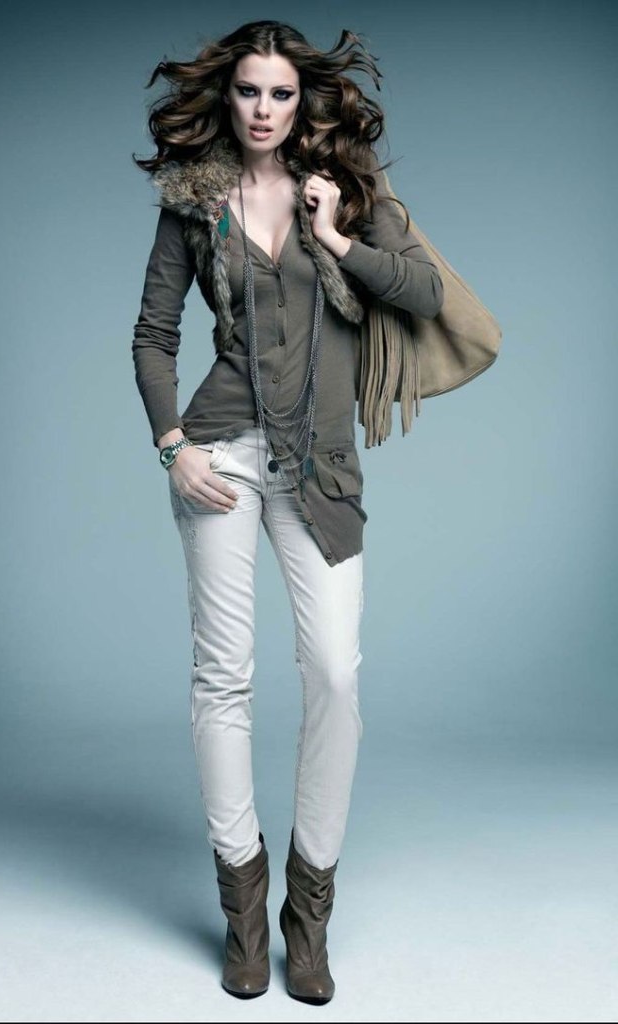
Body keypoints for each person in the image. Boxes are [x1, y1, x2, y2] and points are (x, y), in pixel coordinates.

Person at [131, 20, 444, 1004]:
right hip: (220, 455)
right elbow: (151, 335)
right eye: (247, 91)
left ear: (303, 99)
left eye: (279, 92)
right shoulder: (194, 200)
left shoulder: (345, 189)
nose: (262, 109)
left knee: (335, 677)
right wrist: (172, 445)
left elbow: (423, 292)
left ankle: (308, 917)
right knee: (222, 677)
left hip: (319, 468)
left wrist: (335, 236)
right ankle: (243, 909)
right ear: (225, 99)